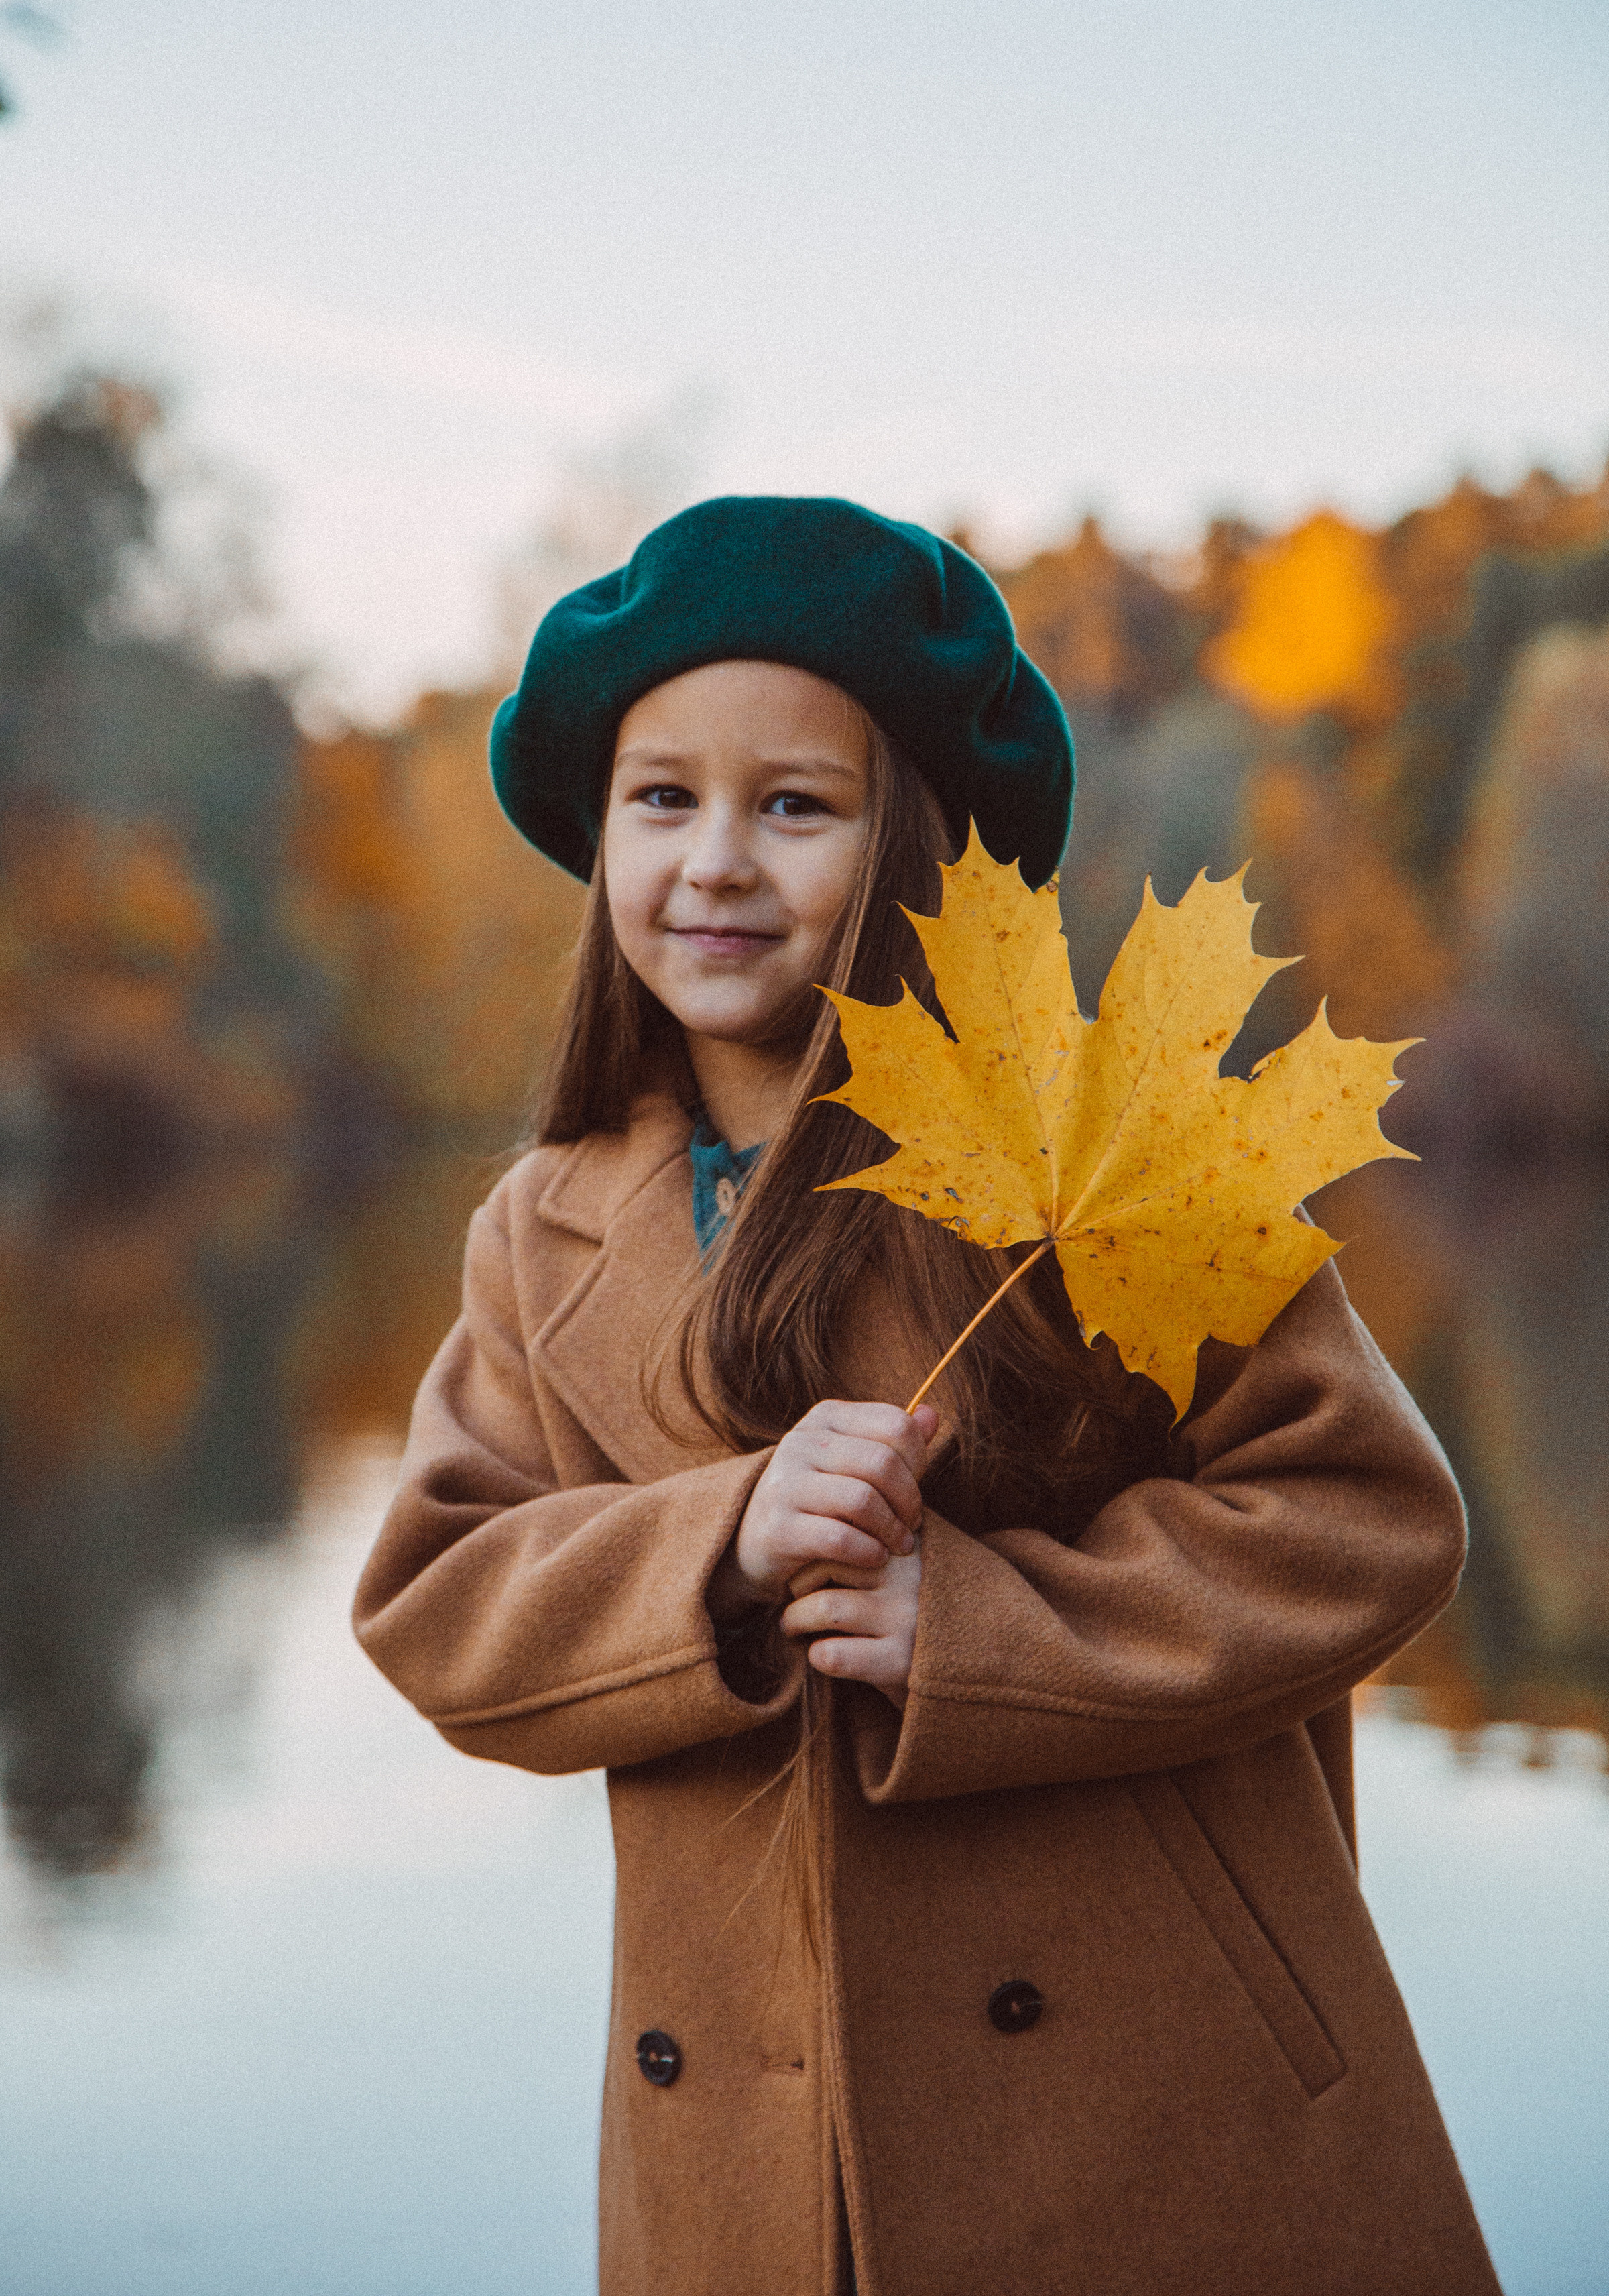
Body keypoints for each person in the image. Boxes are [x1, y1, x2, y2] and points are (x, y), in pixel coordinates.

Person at [353, 497, 1500, 2296]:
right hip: (743, 2136)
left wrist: (970, 1620)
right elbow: (441, 1603)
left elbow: (1368, 1523)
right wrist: (717, 1542)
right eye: (663, 799)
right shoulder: (544, 1226)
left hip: (1158, 2105)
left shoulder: (1090, 1160)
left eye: (793, 803)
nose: (714, 861)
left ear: (922, 847)